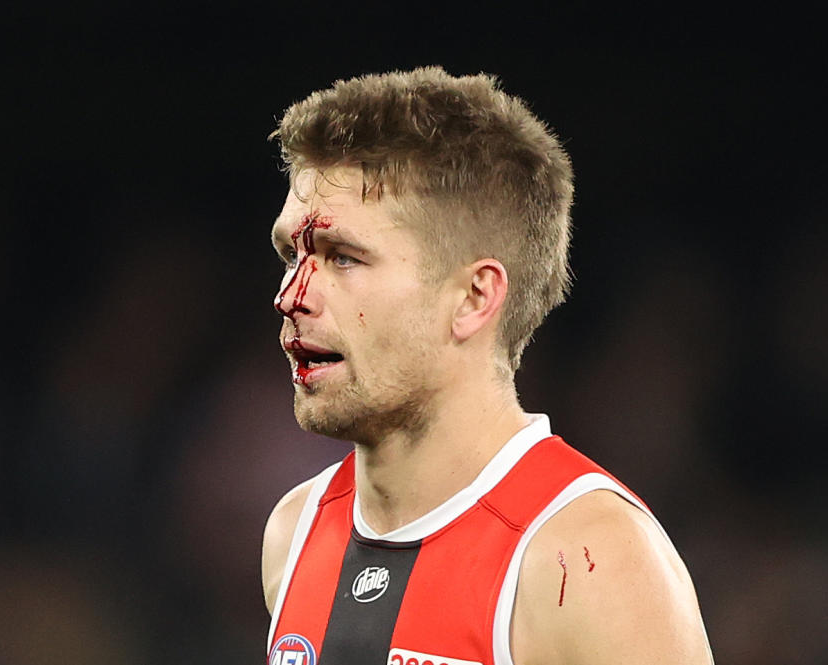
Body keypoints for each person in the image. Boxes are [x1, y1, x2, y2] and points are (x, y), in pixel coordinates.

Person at [261, 66, 713, 665]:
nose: (292, 296)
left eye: (344, 258)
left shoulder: (587, 562)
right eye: (292, 254)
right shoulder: (292, 533)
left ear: (475, 297)